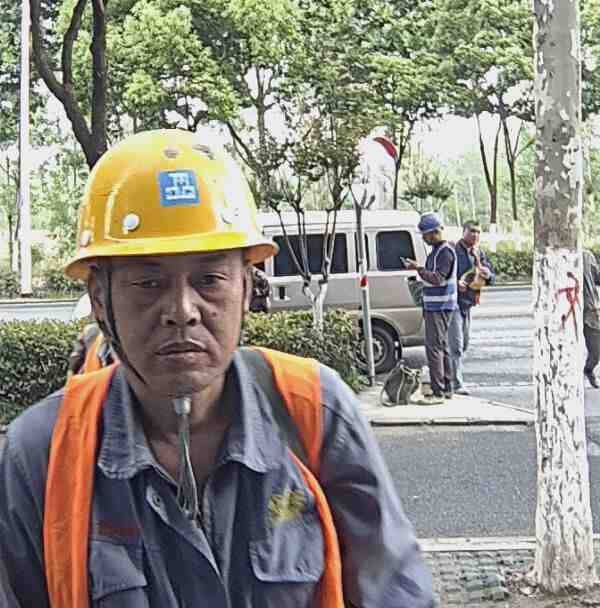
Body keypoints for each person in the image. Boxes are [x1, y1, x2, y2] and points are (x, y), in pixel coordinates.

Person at [0, 129, 434, 607]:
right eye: (148, 282)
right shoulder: (42, 453)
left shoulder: (313, 410)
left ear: (246, 288)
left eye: (209, 279)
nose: (182, 310)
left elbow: (396, 591)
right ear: (100, 299)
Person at [405, 212, 457, 404]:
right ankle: (447, 387)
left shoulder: (445, 252)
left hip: (440, 306)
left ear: (434, 232)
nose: (424, 239)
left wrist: (418, 269)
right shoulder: (437, 251)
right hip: (436, 305)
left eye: (425, 235)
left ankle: (438, 392)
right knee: (441, 347)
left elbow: (437, 279)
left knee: (434, 348)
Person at [447, 220, 495, 395]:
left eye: (478, 232)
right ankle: (455, 383)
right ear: (464, 232)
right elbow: (441, 274)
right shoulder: (452, 250)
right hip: (452, 303)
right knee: (456, 345)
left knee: (464, 343)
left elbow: (491, 276)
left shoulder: (479, 253)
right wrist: (455, 283)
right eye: (472, 231)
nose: (475, 235)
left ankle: (447, 375)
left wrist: (487, 275)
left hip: (468, 303)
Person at [583, 249, 600, 388]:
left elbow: (597, 278)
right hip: (565, 313)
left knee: (596, 350)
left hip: (589, 311)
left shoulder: (586, 256)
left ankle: (588, 369)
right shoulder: (554, 257)